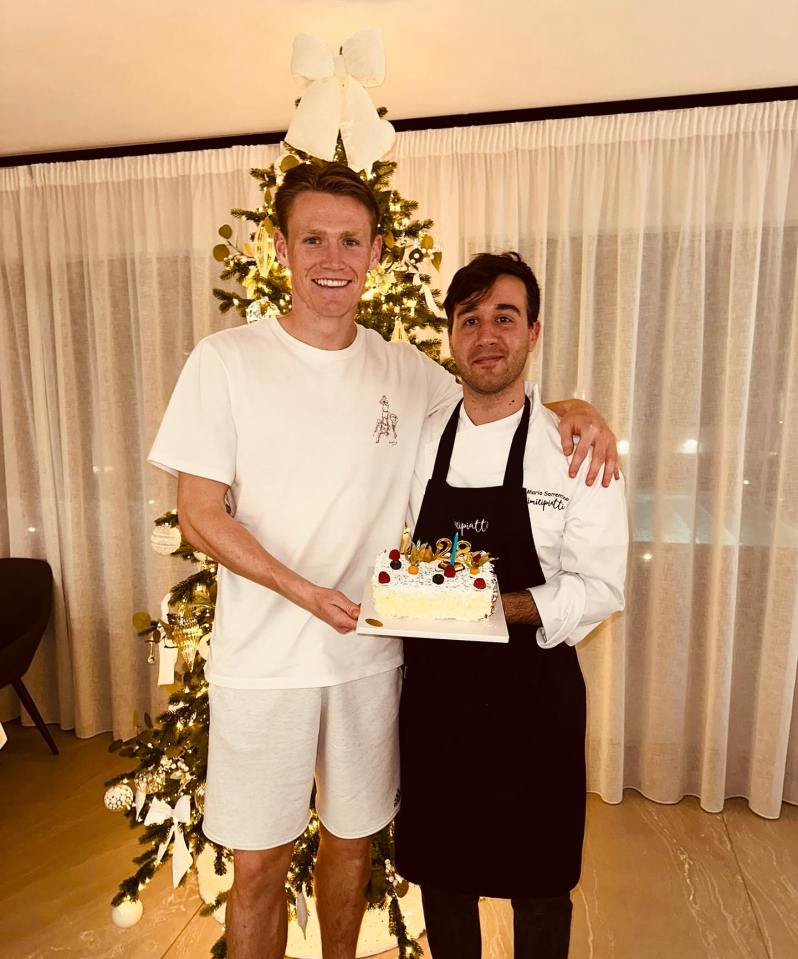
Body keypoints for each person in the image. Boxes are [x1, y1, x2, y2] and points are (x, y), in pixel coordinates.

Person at [147, 164, 618, 959]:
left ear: (374, 253)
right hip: (264, 662)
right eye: (314, 238)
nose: (333, 257)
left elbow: (495, 390)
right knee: (258, 866)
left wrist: (577, 411)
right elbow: (199, 513)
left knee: (354, 847)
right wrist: (306, 592)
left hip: (373, 661)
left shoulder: (406, 370)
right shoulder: (224, 360)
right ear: (281, 248)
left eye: (351, 240)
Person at [394, 252, 629, 959]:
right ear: (451, 338)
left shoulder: (574, 451)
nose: (487, 334)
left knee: (540, 882)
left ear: (533, 330)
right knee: (442, 875)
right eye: (470, 319)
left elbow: (601, 587)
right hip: (436, 701)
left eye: (504, 316)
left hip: (535, 702)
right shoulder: (418, 438)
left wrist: (483, 604)